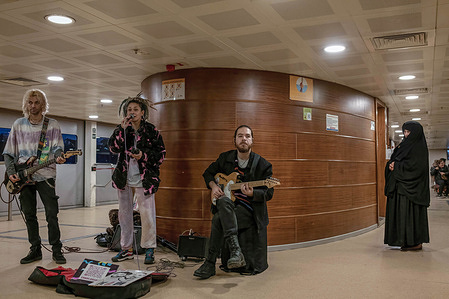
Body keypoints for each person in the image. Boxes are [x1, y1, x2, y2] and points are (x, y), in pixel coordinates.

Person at [194, 125, 274, 279]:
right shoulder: (225, 158)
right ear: (234, 140)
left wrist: (253, 193)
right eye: (240, 136)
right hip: (230, 205)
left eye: (247, 136)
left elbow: (269, 192)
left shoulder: (263, 165)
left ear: (252, 140)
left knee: (218, 218)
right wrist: (213, 186)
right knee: (223, 202)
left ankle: (210, 263)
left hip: (250, 209)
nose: (244, 139)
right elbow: (208, 173)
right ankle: (235, 252)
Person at [2, 89, 67, 264]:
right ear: (26, 104)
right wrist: (11, 172)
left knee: (51, 214)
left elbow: (58, 148)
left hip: (46, 175)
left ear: (43, 105)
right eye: (30, 102)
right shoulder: (18, 124)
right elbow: (8, 153)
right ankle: (35, 249)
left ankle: (56, 249)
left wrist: (60, 154)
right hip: (23, 177)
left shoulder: (52, 125)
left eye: (36, 102)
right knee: (29, 214)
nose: (33, 106)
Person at [108, 96, 165, 264]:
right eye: (129, 110)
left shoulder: (151, 130)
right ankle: (126, 249)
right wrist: (121, 130)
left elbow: (161, 155)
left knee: (147, 215)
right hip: (123, 178)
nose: (132, 112)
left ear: (142, 112)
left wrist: (143, 156)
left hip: (144, 178)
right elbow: (113, 147)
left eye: (135, 110)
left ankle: (149, 249)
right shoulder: (122, 129)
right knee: (124, 215)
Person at [384, 121, 430, 251]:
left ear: (415, 133)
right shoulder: (403, 146)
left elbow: (417, 168)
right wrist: (391, 165)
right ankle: (402, 240)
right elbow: (395, 159)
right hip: (399, 187)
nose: (405, 134)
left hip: (412, 190)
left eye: (408, 131)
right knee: (400, 215)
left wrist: (397, 166)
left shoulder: (418, 148)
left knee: (410, 214)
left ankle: (414, 242)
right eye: (404, 131)